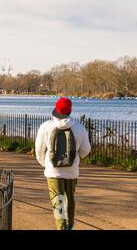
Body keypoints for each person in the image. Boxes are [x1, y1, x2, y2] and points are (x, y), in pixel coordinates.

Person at [35, 98, 91, 230]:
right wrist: (76, 159)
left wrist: (45, 163)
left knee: (57, 199)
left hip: (53, 171)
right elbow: (86, 150)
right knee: (70, 198)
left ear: (56, 110)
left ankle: (62, 227)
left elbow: (39, 149)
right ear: (70, 110)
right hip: (71, 171)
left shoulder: (46, 126)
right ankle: (70, 225)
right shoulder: (79, 128)